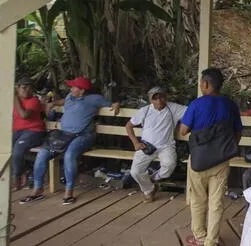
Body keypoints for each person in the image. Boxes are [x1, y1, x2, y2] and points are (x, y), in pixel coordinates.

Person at [20, 77, 120, 205]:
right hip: (63, 134)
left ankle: (69, 192)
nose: (71, 88)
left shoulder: (94, 99)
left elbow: (112, 104)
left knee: (69, 155)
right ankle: (37, 189)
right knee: (42, 153)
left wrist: (116, 105)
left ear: (82, 90)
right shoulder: (70, 96)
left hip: (83, 135)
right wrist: (54, 103)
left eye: (74, 87)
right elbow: (63, 101)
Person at [180, 68, 243, 246]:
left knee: (198, 200)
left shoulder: (196, 104)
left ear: (206, 84)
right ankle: (211, 244)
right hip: (221, 162)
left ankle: (200, 237)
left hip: (199, 162)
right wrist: (224, 150)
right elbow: (238, 133)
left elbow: (183, 131)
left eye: (201, 82)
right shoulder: (230, 105)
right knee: (216, 203)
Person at [125, 86, 187, 202]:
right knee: (135, 172)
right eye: (155, 98)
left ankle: (153, 179)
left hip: (166, 146)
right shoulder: (145, 110)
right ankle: (149, 190)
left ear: (166, 97)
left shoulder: (173, 108)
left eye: (161, 97)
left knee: (169, 165)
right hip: (146, 145)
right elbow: (129, 126)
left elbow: (192, 110)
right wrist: (135, 143)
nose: (159, 101)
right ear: (150, 100)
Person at [12, 77, 46, 190]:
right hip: (18, 131)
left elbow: (24, 115)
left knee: (17, 150)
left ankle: (16, 178)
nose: (27, 90)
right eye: (24, 87)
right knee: (5, 148)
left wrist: (16, 98)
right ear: (17, 88)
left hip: (34, 131)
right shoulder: (11, 100)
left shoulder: (34, 100)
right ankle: (24, 172)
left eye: (30, 88)